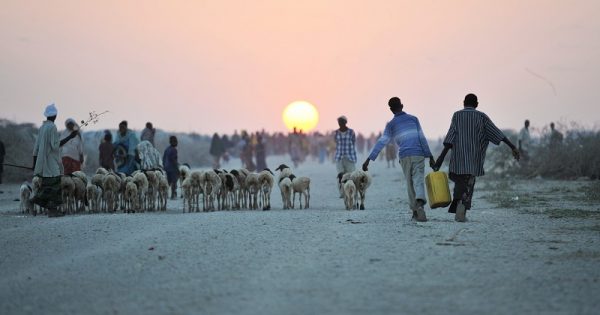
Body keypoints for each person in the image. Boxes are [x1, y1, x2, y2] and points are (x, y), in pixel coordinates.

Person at [434, 94, 520, 222]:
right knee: (468, 185)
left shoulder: (457, 115)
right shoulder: (481, 116)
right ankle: (461, 210)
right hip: (473, 160)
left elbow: (449, 139)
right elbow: (497, 133)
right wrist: (512, 147)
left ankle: (459, 208)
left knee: (459, 184)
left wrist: (440, 159)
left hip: (458, 160)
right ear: (477, 104)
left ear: (463, 102)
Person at [362, 97, 435, 222]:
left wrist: (369, 159)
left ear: (391, 109)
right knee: (418, 180)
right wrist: (430, 156)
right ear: (402, 105)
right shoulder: (414, 119)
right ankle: (420, 203)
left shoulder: (391, 125)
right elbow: (422, 138)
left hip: (405, 155)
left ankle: (415, 211)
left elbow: (382, 141)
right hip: (418, 153)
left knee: (409, 183)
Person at [30, 104, 79, 217]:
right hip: (51, 162)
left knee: (46, 185)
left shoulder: (42, 128)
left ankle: (48, 208)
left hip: (43, 162)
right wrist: (70, 137)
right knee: (55, 185)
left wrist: (35, 163)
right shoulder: (52, 127)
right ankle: (48, 208)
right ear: (55, 115)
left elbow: (36, 147)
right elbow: (56, 146)